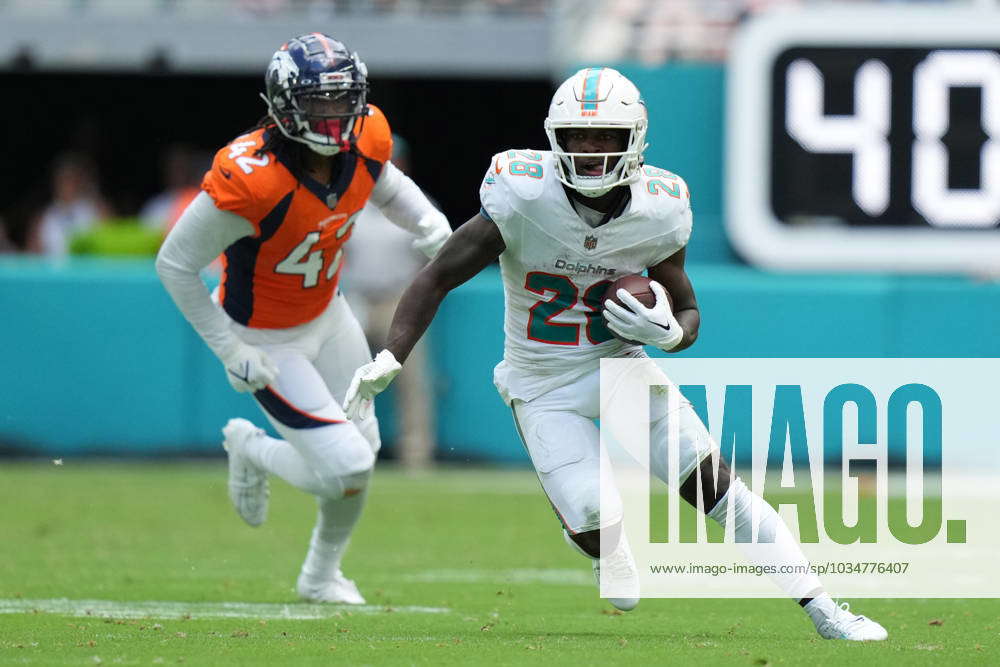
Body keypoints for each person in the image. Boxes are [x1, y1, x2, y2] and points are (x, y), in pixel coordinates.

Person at [344, 67, 887, 640]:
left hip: (621, 366)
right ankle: (599, 539)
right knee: (596, 518)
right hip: (543, 383)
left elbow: (689, 311)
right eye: (579, 136)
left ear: (634, 139)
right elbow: (435, 277)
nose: (592, 150)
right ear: (557, 137)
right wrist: (392, 357)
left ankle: (826, 609)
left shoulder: (661, 206)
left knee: (719, 489)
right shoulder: (521, 192)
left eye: (605, 136)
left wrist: (669, 335)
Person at [155, 33, 451, 604]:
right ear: (285, 104)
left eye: (343, 100)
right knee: (351, 465)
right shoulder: (250, 178)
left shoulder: (364, 141)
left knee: (360, 452)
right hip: (266, 338)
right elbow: (174, 264)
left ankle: (320, 575)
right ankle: (251, 449)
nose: (335, 115)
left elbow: (382, 182)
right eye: (319, 102)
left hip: (329, 312)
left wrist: (424, 220)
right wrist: (228, 349)